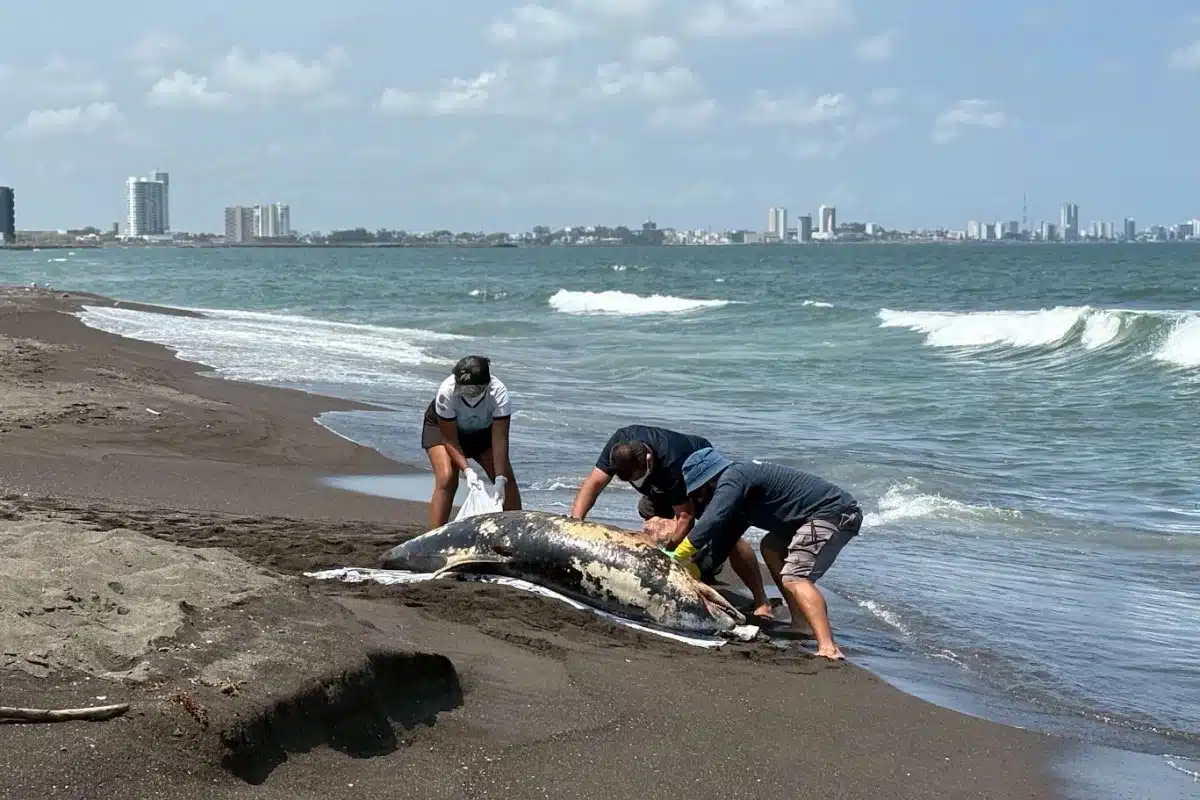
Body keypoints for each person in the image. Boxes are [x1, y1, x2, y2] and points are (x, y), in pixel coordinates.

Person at [668, 447, 863, 660]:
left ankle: (828, 647)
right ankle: (800, 623)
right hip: (815, 517)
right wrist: (693, 569)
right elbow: (723, 538)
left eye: (698, 492)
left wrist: (675, 557)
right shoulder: (740, 489)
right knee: (771, 547)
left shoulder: (733, 478)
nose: (699, 499)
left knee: (796, 577)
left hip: (833, 513)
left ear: (709, 481)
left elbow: (711, 520)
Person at [569, 424, 774, 621]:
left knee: (726, 533)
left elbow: (686, 518)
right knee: (648, 514)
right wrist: (575, 524)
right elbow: (593, 484)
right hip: (660, 482)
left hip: (698, 475)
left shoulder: (672, 462)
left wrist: (667, 557)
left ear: (648, 460)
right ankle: (702, 567)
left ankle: (761, 601)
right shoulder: (620, 444)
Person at [421, 355, 521, 529]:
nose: (468, 394)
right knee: (447, 478)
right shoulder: (447, 391)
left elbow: (500, 438)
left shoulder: (498, 393)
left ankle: (514, 531)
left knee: (507, 480)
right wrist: (467, 470)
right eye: (464, 389)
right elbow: (449, 439)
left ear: (486, 384)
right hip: (443, 430)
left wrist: (499, 477)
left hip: (483, 433)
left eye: (473, 390)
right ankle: (434, 533)